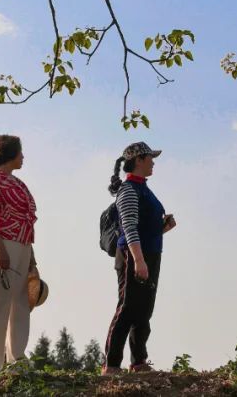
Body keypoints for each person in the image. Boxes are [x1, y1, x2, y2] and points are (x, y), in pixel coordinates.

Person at [102, 141, 176, 374]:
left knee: (144, 311)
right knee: (127, 308)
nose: (153, 162)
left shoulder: (143, 188)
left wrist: (163, 228)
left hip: (150, 254)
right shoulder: (129, 190)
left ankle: (139, 362)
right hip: (133, 256)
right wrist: (139, 261)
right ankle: (111, 365)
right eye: (150, 158)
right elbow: (130, 227)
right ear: (139, 160)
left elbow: (143, 228)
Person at [0, 134, 37, 374]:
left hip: (23, 245)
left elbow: (28, 221)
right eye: (20, 152)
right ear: (10, 153)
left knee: (21, 303)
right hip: (3, 243)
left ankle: (17, 360)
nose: (23, 156)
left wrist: (31, 257)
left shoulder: (19, 184)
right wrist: (1, 249)